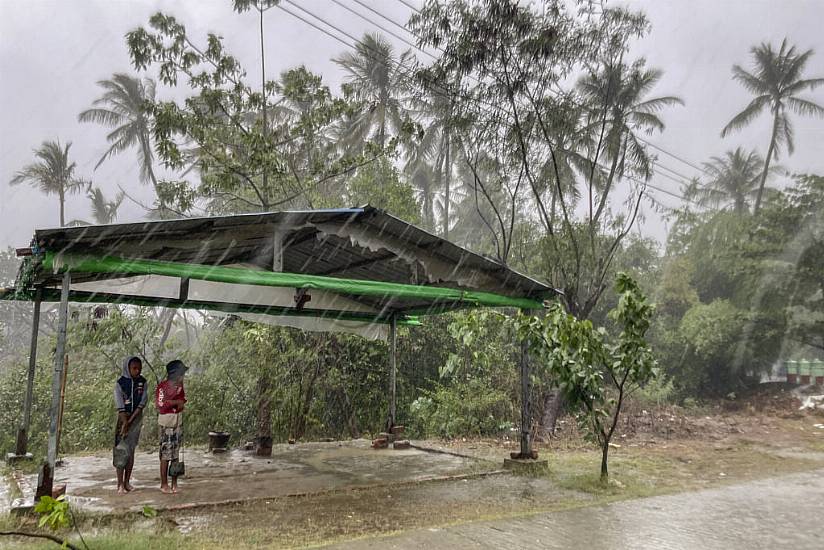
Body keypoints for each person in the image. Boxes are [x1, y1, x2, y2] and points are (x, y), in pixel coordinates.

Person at [113, 356, 147, 495]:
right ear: (127, 368)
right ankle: (119, 483)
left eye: (139, 368)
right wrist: (124, 422)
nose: (137, 371)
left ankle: (127, 481)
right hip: (122, 418)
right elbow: (119, 404)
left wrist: (131, 421)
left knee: (131, 450)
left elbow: (142, 402)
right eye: (134, 368)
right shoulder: (120, 383)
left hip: (135, 419)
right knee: (121, 450)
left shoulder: (143, 382)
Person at [156, 359, 187, 494]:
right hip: (167, 423)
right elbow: (161, 405)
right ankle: (164, 483)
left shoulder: (180, 386)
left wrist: (178, 403)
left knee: (175, 454)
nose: (183, 377)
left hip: (177, 422)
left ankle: (174, 482)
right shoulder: (162, 387)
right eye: (181, 374)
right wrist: (175, 402)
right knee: (165, 454)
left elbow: (182, 400)